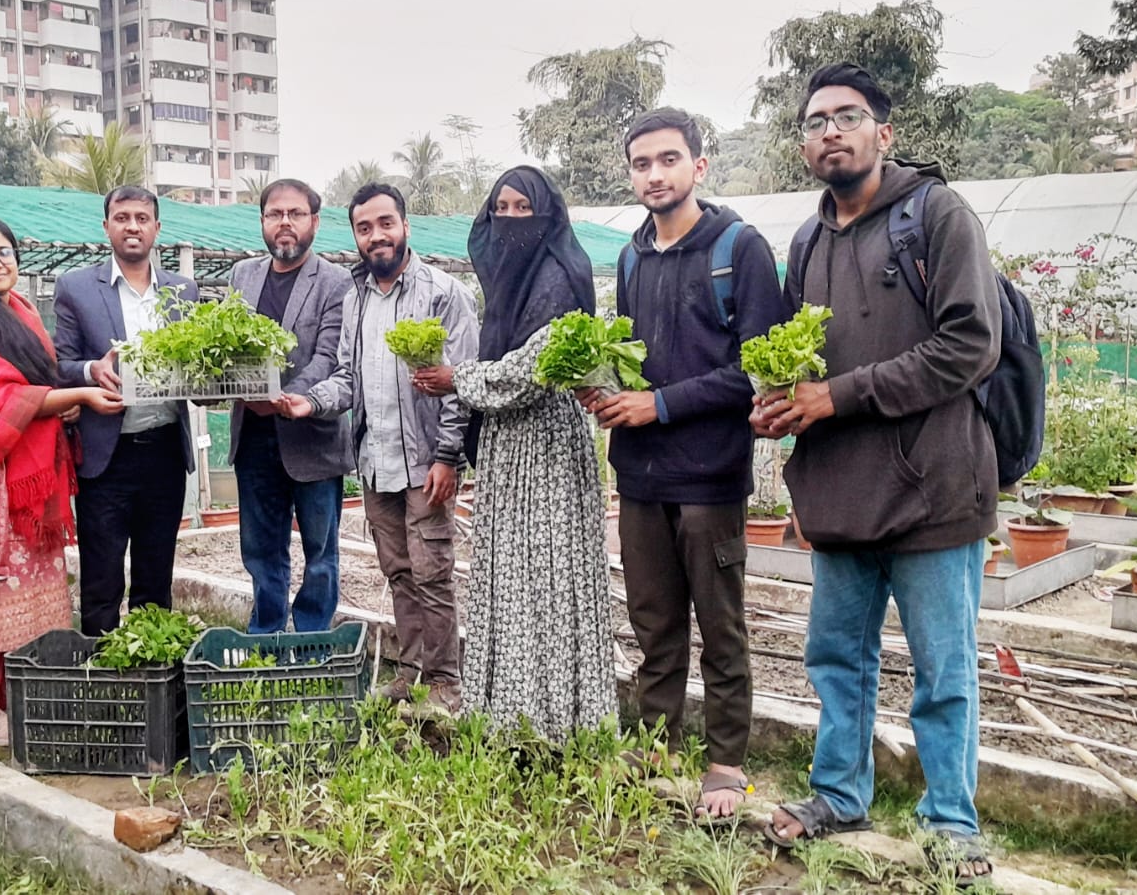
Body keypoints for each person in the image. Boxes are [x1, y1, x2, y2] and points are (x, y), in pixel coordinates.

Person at [753, 64, 999, 884]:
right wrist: (783, 402)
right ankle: (838, 793)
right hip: (841, 492)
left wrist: (837, 395)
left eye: (848, 116)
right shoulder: (808, 241)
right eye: (816, 120)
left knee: (943, 669)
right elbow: (805, 362)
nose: (830, 130)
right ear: (803, 144)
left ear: (883, 133)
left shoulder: (936, 215)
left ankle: (952, 824)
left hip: (932, 486)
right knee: (837, 658)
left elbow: (970, 346)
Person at [579, 110, 789, 817]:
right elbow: (638, 359)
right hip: (640, 475)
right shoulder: (634, 254)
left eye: (669, 159)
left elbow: (755, 372)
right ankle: (659, 740)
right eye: (641, 163)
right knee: (653, 622)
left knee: (720, 625)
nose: (654, 174)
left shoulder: (738, 249)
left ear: (699, 166)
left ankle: (726, 761)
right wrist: (605, 388)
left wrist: (659, 405)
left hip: (708, 476)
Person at [411, 166, 617, 742]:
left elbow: (528, 376)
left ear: (547, 215)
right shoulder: (505, 288)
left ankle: (552, 721)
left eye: (524, 208)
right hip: (507, 449)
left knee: (548, 580)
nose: (510, 220)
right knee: (509, 579)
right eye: (501, 207)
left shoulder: (559, 276)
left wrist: (458, 378)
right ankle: (508, 715)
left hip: (546, 448)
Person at [0, 216, 124, 746]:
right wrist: (73, 400)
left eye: (4, 252)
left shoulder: (21, 309)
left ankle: (16, 698)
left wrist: (75, 388)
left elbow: (39, 381)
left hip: (27, 479)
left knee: (26, 591)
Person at [277, 183, 478, 716]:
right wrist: (309, 401)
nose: (376, 236)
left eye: (385, 224)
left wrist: (447, 456)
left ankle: (446, 682)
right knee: (398, 570)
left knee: (433, 570)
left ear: (405, 226)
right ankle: (412, 671)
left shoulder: (441, 293)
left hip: (424, 461)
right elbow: (347, 378)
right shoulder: (356, 297)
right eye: (365, 228)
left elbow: (460, 383)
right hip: (374, 458)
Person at [53, 186, 198, 636]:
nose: (132, 226)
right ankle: (103, 678)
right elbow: (58, 363)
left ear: (157, 227)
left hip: (165, 452)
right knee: (102, 576)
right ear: (106, 227)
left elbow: (197, 363)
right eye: (122, 217)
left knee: (156, 574)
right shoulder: (76, 287)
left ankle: (152, 670)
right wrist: (91, 369)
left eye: (141, 217)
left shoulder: (183, 291)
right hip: (106, 456)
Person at [227, 179, 355, 634]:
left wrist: (283, 399)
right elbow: (230, 345)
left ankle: (313, 637)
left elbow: (328, 356)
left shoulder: (338, 281)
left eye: (295, 214)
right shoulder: (243, 275)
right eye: (275, 214)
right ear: (262, 221)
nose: (285, 222)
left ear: (314, 222)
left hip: (313, 440)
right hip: (254, 439)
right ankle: (266, 635)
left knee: (321, 550)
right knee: (261, 548)